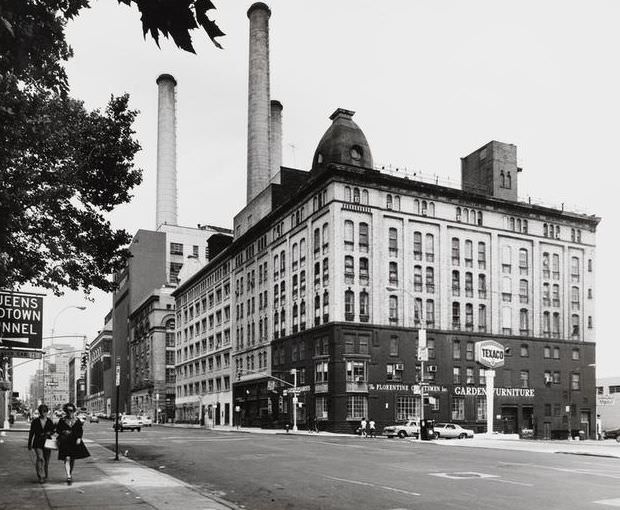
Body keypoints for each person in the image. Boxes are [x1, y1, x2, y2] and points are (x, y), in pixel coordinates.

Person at [56, 403, 90, 484]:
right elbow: (58, 430)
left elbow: (80, 431)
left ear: (73, 411)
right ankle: (68, 475)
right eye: (67, 410)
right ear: (65, 411)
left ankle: (70, 473)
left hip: (74, 441)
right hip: (65, 441)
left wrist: (79, 438)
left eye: (71, 410)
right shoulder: (62, 420)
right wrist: (63, 432)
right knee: (67, 458)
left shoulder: (77, 420)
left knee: (72, 459)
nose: (69, 412)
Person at [27, 404, 56, 483]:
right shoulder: (35, 421)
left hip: (47, 443)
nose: (44, 414)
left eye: (45, 412)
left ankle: (45, 475)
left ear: (47, 412)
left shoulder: (49, 421)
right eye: (42, 412)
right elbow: (31, 432)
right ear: (40, 412)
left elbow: (53, 431)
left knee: (46, 461)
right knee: (40, 458)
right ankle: (40, 476)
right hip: (37, 442)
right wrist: (29, 443)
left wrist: (49, 433)